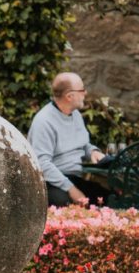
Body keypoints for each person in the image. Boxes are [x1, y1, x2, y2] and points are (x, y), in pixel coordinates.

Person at [27, 72, 110, 207]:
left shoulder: (75, 114)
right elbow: (42, 163)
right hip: (50, 182)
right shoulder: (44, 121)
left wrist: (93, 152)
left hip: (73, 178)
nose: (85, 93)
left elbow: (83, 145)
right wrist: (71, 189)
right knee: (64, 202)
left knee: (108, 198)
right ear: (69, 96)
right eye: (82, 90)